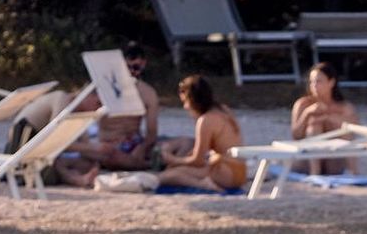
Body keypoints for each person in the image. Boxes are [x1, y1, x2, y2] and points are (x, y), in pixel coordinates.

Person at [53, 41, 162, 187]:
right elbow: (76, 104)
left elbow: (152, 132)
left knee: (172, 146)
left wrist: (142, 148)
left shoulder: (148, 93)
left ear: (143, 65)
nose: (132, 72)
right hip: (106, 145)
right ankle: (141, 164)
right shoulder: (103, 87)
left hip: (132, 144)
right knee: (67, 160)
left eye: (136, 68)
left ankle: (140, 163)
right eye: (128, 68)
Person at [156, 74, 247, 191]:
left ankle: (204, 184)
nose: (185, 107)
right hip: (240, 171)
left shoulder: (205, 120)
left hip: (225, 173)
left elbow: (197, 161)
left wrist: (171, 159)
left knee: (167, 176)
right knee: (176, 168)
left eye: (185, 102)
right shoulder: (223, 109)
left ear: (193, 101)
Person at [289, 61, 359, 175]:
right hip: (307, 159)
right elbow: (296, 135)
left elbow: (353, 132)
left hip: (333, 160)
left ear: (331, 82)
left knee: (342, 126)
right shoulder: (303, 104)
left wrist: (328, 118)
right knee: (314, 125)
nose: (314, 86)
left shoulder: (344, 107)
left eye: (318, 81)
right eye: (311, 82)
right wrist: (307, 114)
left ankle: (354, 172)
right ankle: (315, 172)